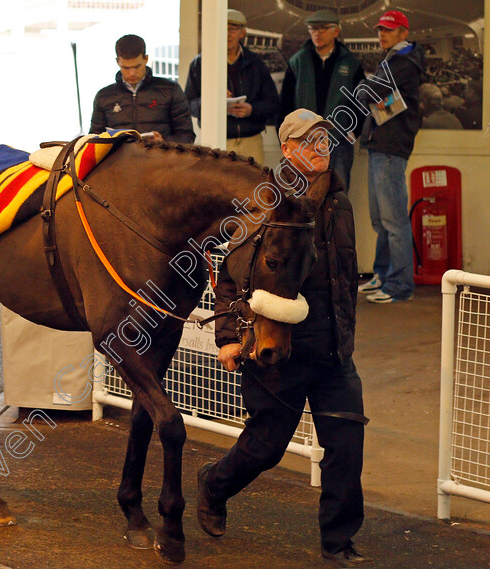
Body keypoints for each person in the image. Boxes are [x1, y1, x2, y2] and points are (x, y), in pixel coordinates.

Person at [197, 109, 369, 567]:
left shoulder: (339, 202)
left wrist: (345, 335)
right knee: (265, 448)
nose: (321, 150)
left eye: (326, 142)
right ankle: (213, 485)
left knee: (346, 447)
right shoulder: (261, 204)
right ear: (288, 149)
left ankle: (337, 543)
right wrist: (228, 338)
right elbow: (230, 280)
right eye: (310, 143)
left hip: (333, 351)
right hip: (277, 352)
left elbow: (346, 278)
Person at [356, 10, 424, 304]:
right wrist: (366, 88)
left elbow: (372, 90)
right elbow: (371, 91)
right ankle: (383, 275)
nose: (382, 34)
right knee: (380, 220)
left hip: (391, 148)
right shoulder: (393, 60)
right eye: (380, 29)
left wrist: (365, 86)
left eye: (389, 29)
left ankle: (400, 285)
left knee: (394, 221)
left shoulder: (405, 62)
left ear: (403, 33)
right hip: (379, 146)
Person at [279, 10, 365, 190]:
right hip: (303, 143)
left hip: (339, 141)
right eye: (313, 29)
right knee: (301, 196)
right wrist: (286, 138)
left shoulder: (350, 63)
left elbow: (361, 99)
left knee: (337, 197)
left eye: (323, 28)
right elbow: (285, 102)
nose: (317, 33)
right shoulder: (298, 61)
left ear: (336, 32)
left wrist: (354, 131)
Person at [184, 9, 280, 164]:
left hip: (251, 141)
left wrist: (252, 110)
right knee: (215, 187)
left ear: (243, 33)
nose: (227, 34)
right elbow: (188, 103)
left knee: (254, 187)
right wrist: (212, 101)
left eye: (233, 29)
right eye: (223, 28)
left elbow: (273, 103)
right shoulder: (200, 63)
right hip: (215, 141)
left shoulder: (256, 63)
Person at [89, 34, 194, 144]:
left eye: (137, 66)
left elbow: (187, 136)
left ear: (146, 59)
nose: (132, 73)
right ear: (117, 62)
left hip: (159, 158)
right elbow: (93, 140)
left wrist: (163, 142)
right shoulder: (104, 96)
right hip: (120, 160)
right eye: (126, 68)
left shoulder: (170, 90)